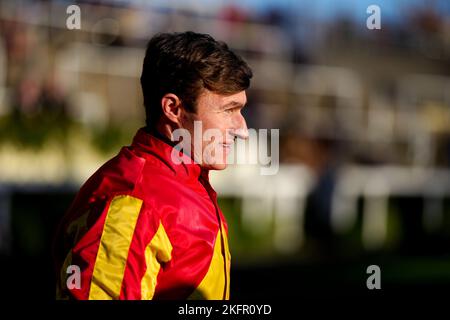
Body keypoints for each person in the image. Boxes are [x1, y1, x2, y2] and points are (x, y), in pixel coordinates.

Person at [53, 31, 252, 300]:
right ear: (173, 108)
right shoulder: (133, 199)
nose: (243, 129)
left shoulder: (188, 182)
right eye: (229, 110)